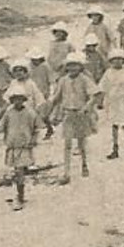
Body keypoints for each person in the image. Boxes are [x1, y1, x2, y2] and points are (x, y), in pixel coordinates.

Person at [48, 53, 101, 181]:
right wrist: (50, 110)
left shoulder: (84, 79)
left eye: (75, 65)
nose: (72, 68)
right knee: (67, 143)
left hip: (80, 114)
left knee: (81, 142)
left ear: (80, 66)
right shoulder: (63, 80)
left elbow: (95, 94)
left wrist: (87, 107)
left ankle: (84, 164)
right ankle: (67, 171)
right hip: (68, 114)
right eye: (70, 66)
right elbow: (57, 97)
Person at [0, 89, 41, 209]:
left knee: (19, 170)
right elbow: (1, 127)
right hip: (12, 146)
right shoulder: (9, 112)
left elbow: (37, 128)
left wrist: (33, 140)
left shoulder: (30, 112)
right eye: (15, 99)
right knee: (18, 171)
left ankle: (20, 196)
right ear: (11, 101)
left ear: (24, 100)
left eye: (20, 99)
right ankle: (20, 193)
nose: (18, 101)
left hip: (24, 146)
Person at [100, 47, 124, 159]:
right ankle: (115, 148)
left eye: (120, 59)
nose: (117, 62)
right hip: (112, 102)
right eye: (114, 60)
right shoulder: (108, 73)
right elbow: (103, 88)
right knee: (114, 125)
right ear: (110, 61)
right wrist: (101, 101)